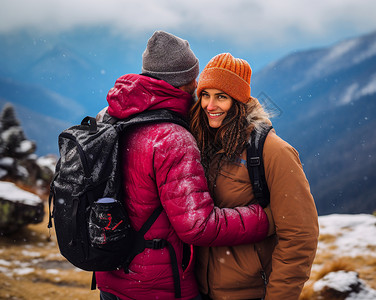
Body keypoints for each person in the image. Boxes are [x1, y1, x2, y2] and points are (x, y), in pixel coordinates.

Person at [95, 32, 272, 300]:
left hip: (111, 274)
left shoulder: (110, 116)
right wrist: (264, 218)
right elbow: (197, 226)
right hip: (158, 287)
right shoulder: (172, 139)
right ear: (188, 81)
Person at [190, 53, 319, 300]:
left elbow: (300, 235)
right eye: (205, 95)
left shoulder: (274, 152)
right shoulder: (203, 142)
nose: (210, 105)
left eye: (222, 97)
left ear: (238, 101)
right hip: (201, 291)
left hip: (249, 293)